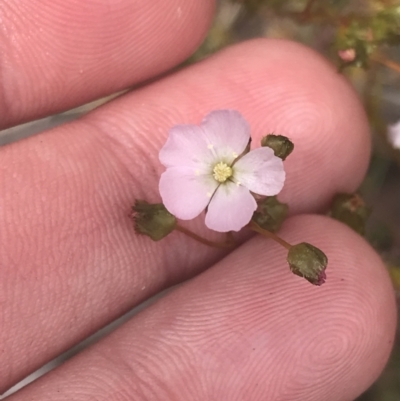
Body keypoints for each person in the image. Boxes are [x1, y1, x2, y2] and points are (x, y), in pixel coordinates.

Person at [0, 1, 396, 400]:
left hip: (243, 194)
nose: (223, 171)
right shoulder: (212, 193)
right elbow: (208, 193)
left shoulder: (260, 176)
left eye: (227, 168)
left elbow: (253, 192)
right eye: (223, 169)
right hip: (227, 199)